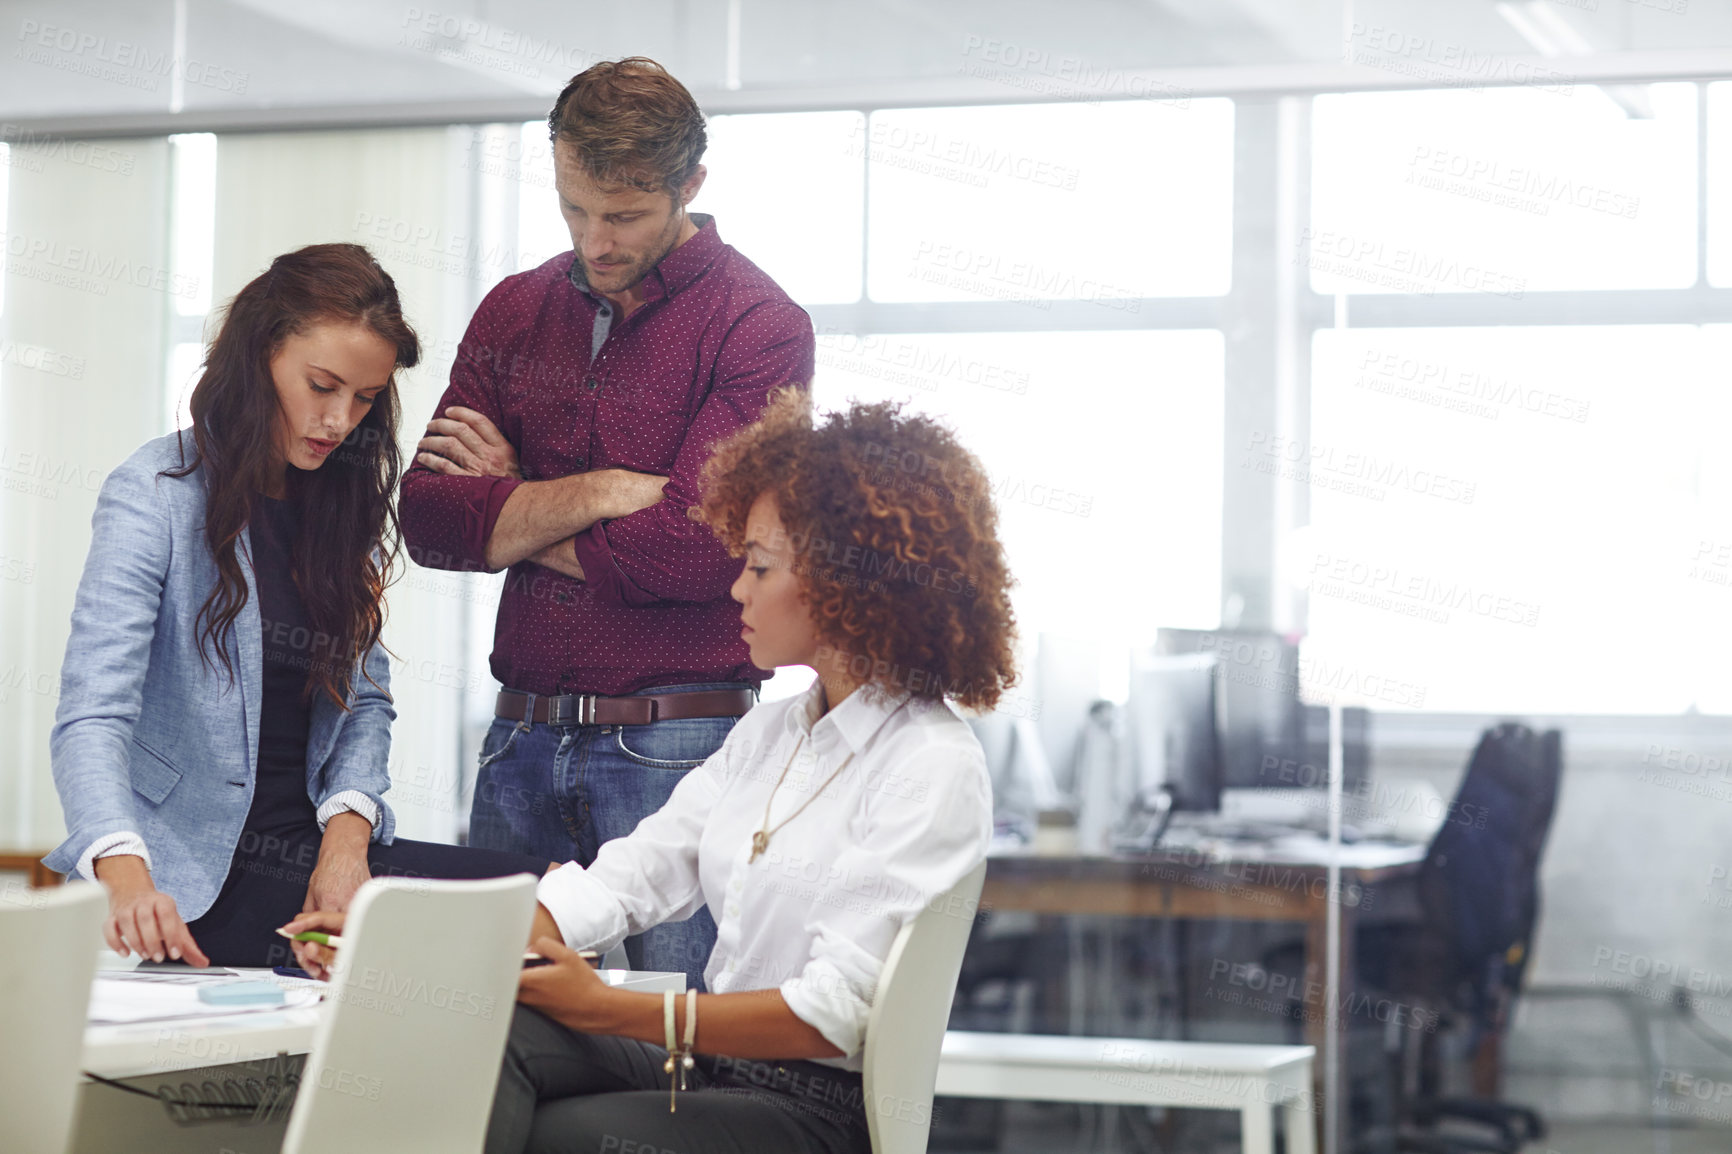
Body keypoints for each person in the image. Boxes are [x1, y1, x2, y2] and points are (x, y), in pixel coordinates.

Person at [288, 389, 1018, 1152]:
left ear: (847, 587)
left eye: (760, 567)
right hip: (710, 1068)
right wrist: (397, 941)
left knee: (564, 1137)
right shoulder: (770, 734)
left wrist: (608, 1009)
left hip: (816, 1112)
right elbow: (624, 880)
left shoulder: (929, 764)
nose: (737, 586)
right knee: (475, 1023)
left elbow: (831, 1013)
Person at [399, 57, 815, 989]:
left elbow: (695, 549)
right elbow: (429, 519)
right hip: (517, 738)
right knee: (486, 1027)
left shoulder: (761, 325)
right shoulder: (514, 308)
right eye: (572, 209)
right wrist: (594, 491)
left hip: (682, 745)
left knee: (685, 1053)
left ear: (690, 186)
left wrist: (511, 500)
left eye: (623, 215)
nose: (595, 239)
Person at [45, 243, 548, 969]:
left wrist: (347, 845)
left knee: (545, 905)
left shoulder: (342, 507)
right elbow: (93, 714)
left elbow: (365, 704)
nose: (340, 419)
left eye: (366, 398)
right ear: (259, 359)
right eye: (322, 386)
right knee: (472, 956)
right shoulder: (154, 492)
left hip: (315, 860)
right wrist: (123, 873)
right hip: (189, 883)